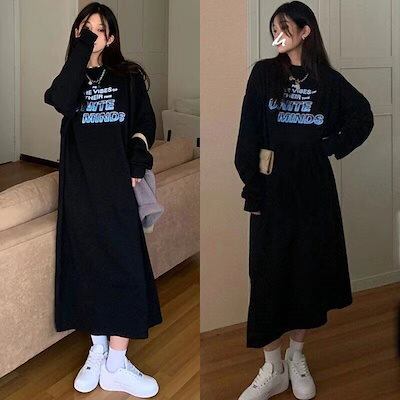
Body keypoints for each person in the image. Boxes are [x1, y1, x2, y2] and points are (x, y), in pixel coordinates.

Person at [234, 2, 374, 399]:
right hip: (271, 188)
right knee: (267, 275)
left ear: (305, 30)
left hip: (313, 192)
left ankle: (296, 357)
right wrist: (252, 187)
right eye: (273, 29)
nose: (277, 35)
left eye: (284, 27)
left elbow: (362, 116)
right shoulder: (263, 73)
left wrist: (328, 145)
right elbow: (248, 134)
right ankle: (271, 367)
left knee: (306, 274)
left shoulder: (327, 80)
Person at [43, 2, 162, 398]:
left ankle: (116, 363)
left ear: (111, 37)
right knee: (87, 264)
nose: (92, 34)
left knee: (125, 265)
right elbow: (60, 100)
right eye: (85, 27)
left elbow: (144, 122)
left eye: (99, 29)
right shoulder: (72, 76)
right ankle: (97, 350)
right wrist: (81, 52)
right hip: (79, 187)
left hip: (117, 185)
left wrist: (138, 159)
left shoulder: (128, 77)